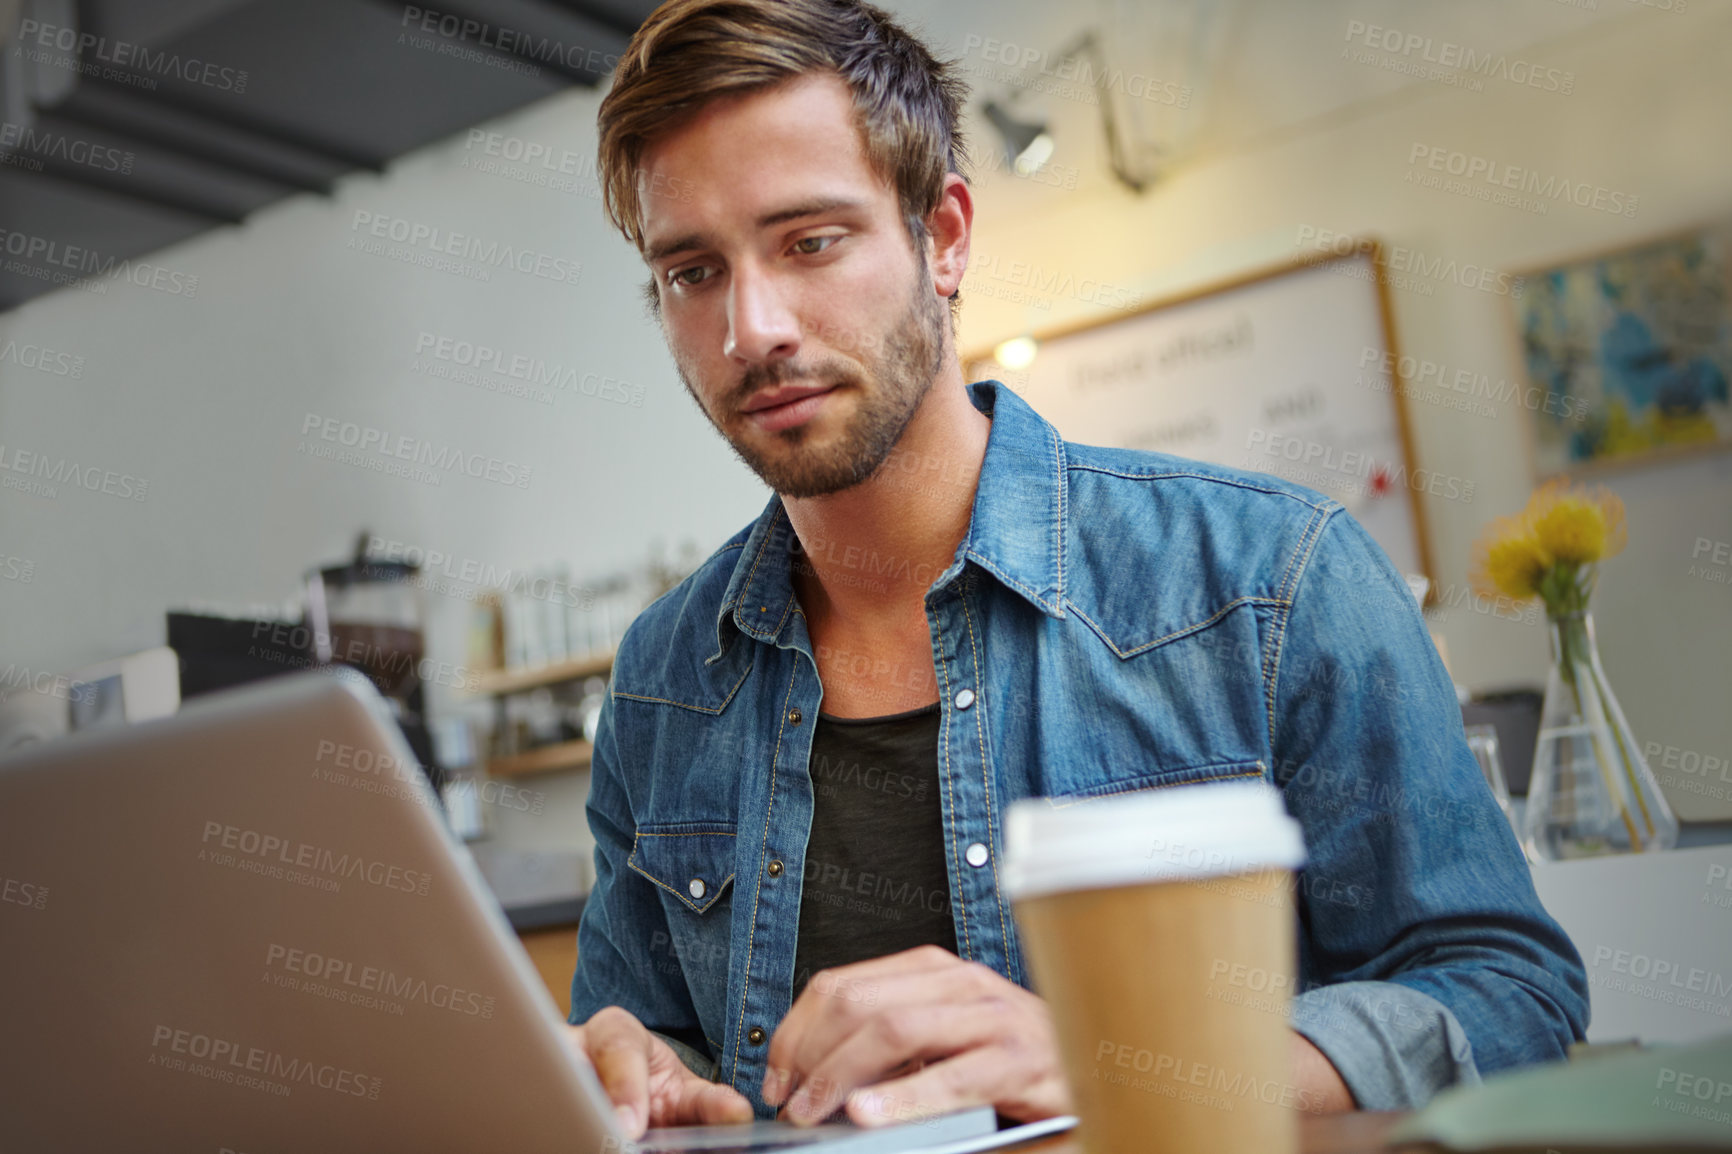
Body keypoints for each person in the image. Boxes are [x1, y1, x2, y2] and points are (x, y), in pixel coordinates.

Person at [564, 0, 1589, 1140]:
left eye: (809, 241)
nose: (749, 328)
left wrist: (1120, 1065)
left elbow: (1506, 989)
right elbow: (664, 1045)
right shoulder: (662, 674)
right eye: (692, 271)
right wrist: (632, 1068)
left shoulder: (1266, 577)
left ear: (943, 236)